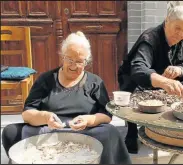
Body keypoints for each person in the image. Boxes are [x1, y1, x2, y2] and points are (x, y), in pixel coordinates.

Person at [1, 31, 131, 164]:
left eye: (80, 61)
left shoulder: (95, 82)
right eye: (69, 60)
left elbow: (106, 115)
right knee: (10, 132)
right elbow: (27, 113)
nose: (74, 66)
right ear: (62, 57)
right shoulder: (46, 80)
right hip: (49, 131)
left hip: (85, 133)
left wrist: (89, 120)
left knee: (111, 132)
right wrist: (46, 117)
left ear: (86, 62)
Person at [118, 6, 183, 153]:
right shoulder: (150, 38)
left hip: (163, 77)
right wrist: (164, 81)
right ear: (167, 21)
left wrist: (180, 70)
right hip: (134, 77)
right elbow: (138, 69)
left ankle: (177, 124)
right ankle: (131, 130)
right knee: (130, 88)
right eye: (177, 28)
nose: (180, 34)